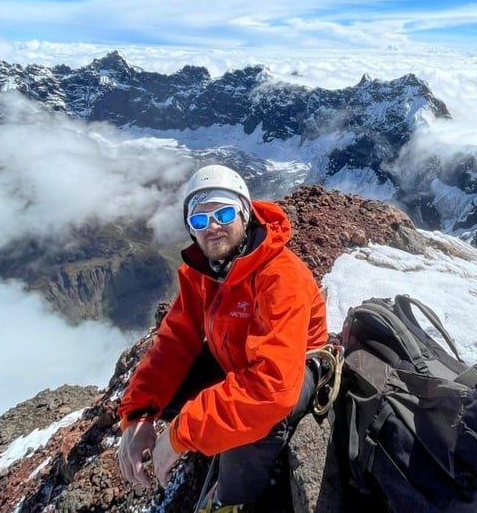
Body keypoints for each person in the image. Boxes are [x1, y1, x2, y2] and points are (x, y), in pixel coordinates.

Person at [117, 164, 329, 511]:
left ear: (245, 215)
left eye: (224, 213)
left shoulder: (280, 276)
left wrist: (181, 433)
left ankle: (237, 500)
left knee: (261, 421)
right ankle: (213, 434)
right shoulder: (204, 271)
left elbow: (271, 389)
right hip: (240, 362)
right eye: (199, 221)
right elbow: (174, 342)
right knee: (172, 392)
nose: (212, 227)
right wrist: (139, 414)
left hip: (293, 374)